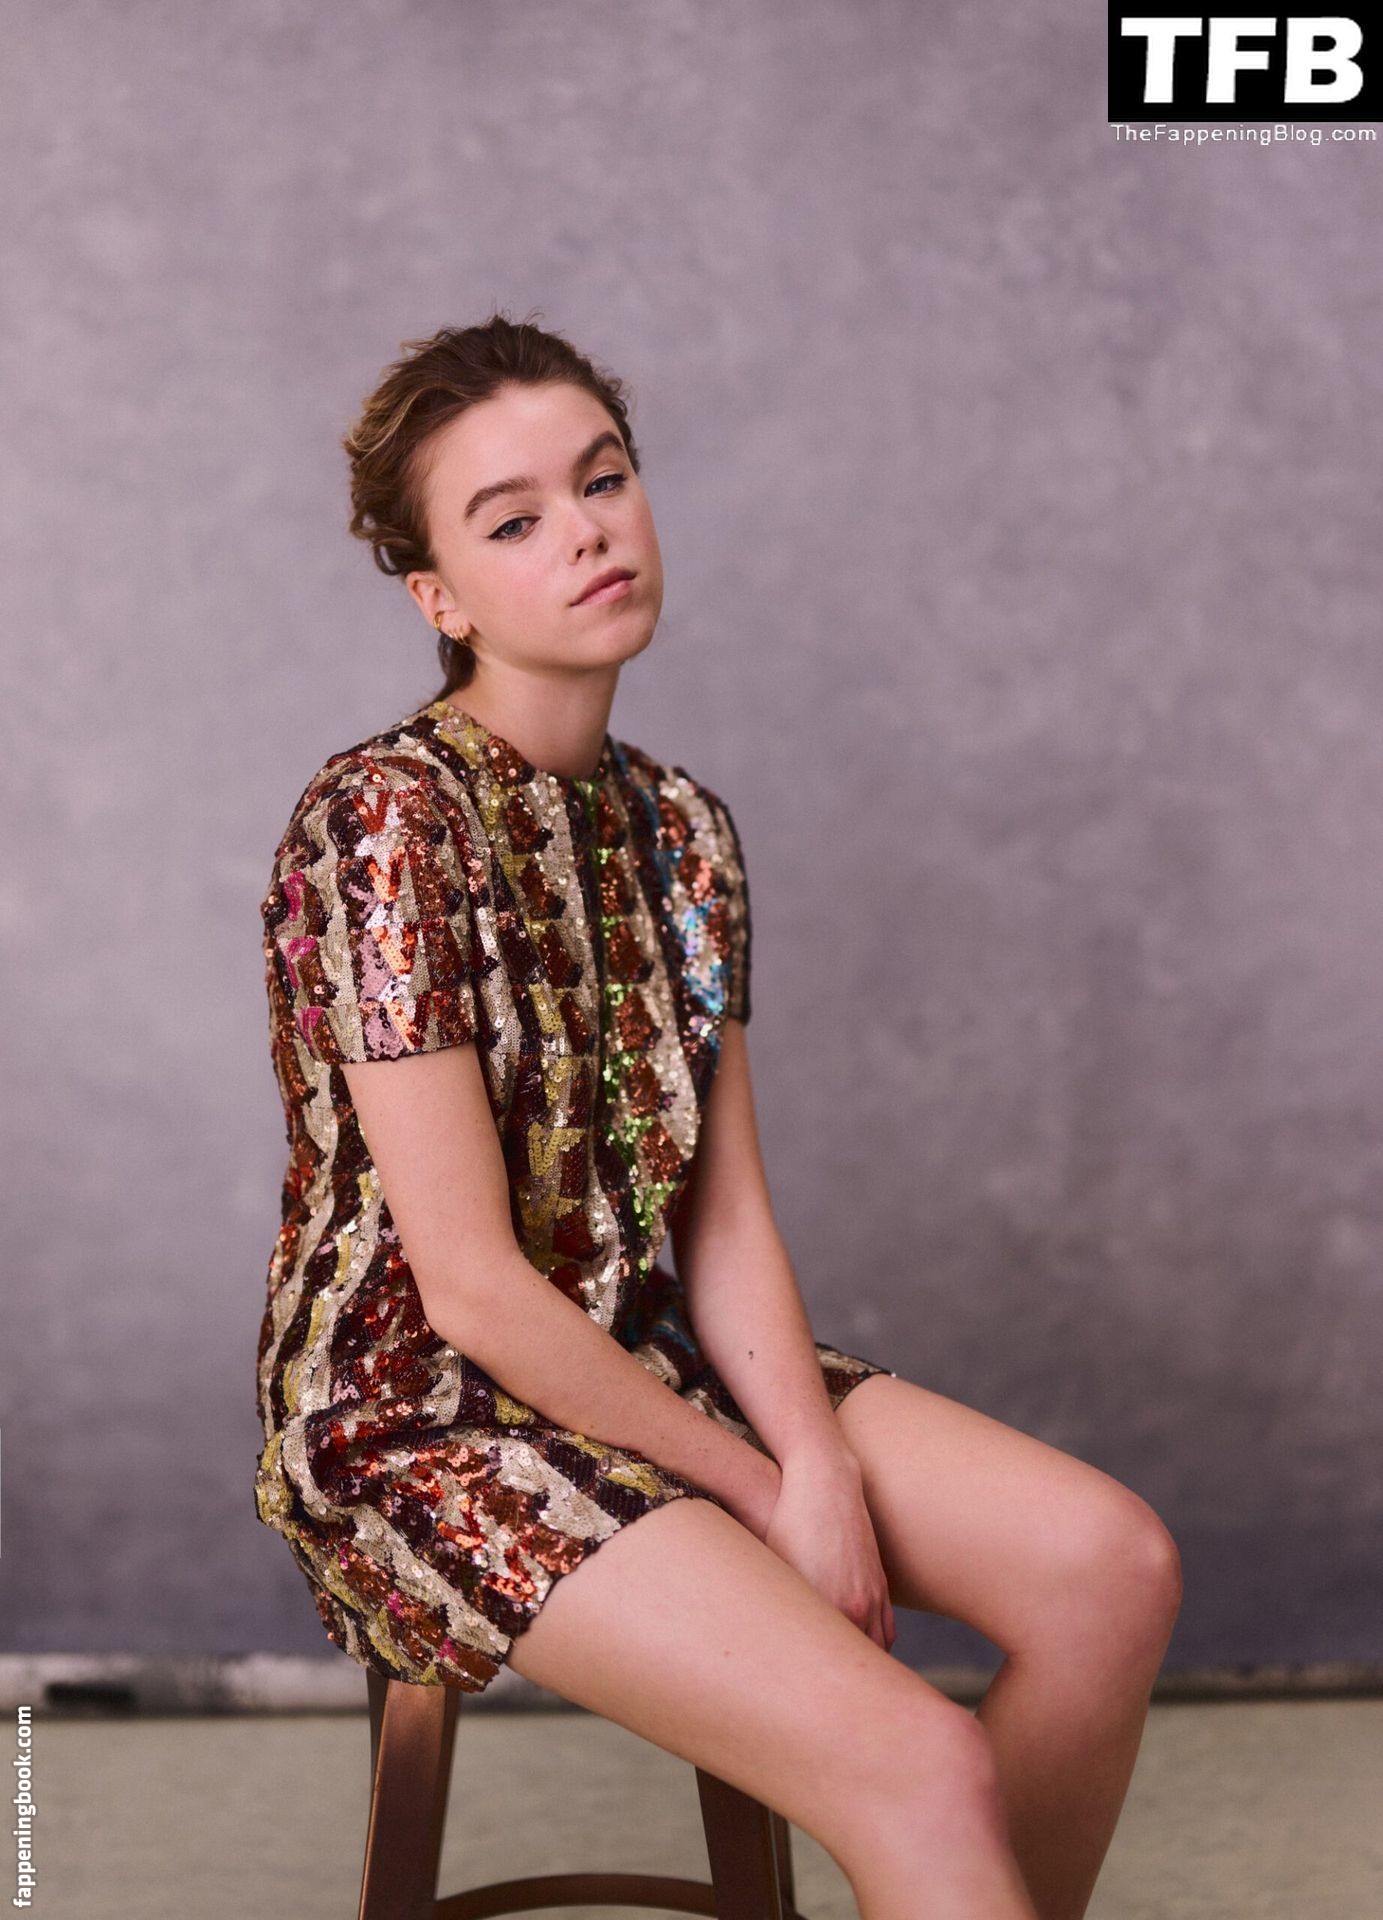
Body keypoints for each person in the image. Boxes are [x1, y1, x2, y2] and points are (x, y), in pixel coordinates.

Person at [253, 312, 1181, 1920]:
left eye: (604, 478)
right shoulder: (381, 824)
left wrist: (813, 1457)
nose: (587, 530)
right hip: (421, 1413)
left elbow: (724, 1214)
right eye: (512, 520)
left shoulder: (683, 833)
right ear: (439, 597)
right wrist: (761, 1494)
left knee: (1114, 1569)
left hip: (644, 1351)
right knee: (921, 1762)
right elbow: (469, 1290)